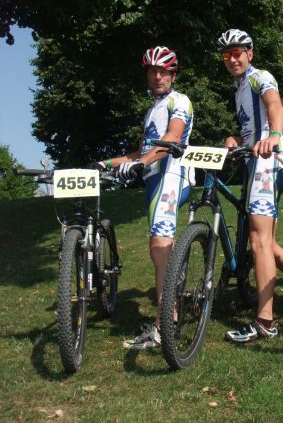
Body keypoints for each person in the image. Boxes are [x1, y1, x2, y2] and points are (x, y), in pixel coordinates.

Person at [216, 29, 283, 343]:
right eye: (226, 55)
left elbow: (275, 106)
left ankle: (265, 321)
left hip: (268, 163)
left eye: (238, 52)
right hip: (254, 162)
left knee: (258, 239)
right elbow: (252, 128)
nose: (233, 58)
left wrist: (275, 135)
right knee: (268, 242)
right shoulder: (238, 90)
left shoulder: (260, 77)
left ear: (250, 53)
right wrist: (236, 140)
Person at [90, 46, 194, 349]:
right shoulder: (152, 110)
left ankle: (164, 324)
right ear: (147, 75)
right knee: (159, 249)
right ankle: (170, 309)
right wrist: (107, 163)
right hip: (154, 179)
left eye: (164, 71)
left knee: (160, 247)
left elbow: (173, 137)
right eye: (153, 71)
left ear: (173, 75)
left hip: (172, 175)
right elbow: (141, 152)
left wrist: (143, 163)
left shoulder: (179, 101)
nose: (158, 75)